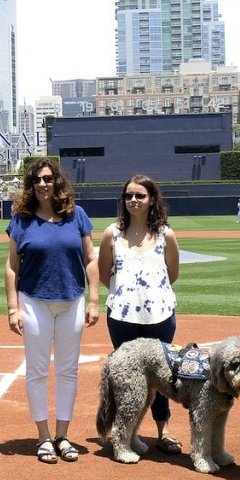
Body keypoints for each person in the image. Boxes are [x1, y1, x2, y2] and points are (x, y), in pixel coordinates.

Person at [5, 158, 99, 463]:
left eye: (47, 178)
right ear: (30, 185)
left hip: (72, 300)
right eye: (36, 180)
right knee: (37, 370)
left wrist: (95, 300)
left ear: (56, 181)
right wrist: (11, 308)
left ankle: (63, 435)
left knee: (68, 371)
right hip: (33, 301)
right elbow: (11, 267)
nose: (42, 184)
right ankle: (43, 437)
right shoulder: (21, 219)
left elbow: (90, 260)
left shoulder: (77, 214)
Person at [97, 174, 181, 453]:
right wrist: (127, 295)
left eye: (140, 195)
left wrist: (150, 297)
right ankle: (127, 433)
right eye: (129, 195)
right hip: (122, 316)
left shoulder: (165, 234)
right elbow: (104, 274)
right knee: (128, 378)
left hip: (159, 315)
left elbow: (172, 274)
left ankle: (163, 430)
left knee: (162, 376)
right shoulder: (112, 233)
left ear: (152, 199)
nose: (133, 200)